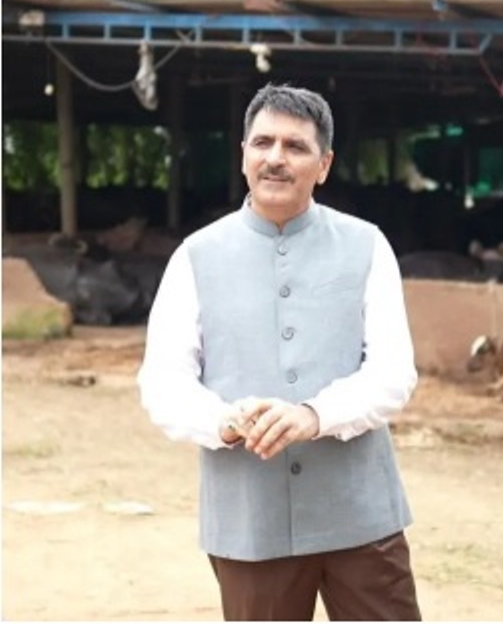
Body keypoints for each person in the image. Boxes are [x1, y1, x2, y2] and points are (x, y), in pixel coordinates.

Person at [138, 83, 422, 621]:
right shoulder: (196, 256)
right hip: (249, 522)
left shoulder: (367, 246)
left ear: (324, 164)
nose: (276, 158)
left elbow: (392, 372)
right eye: (263, 142)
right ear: (243, 152)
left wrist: (314, 416)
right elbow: (163, 381)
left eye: (296, 146)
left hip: (360, 517)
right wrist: (224, 421)